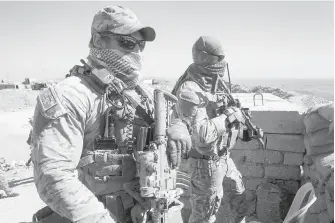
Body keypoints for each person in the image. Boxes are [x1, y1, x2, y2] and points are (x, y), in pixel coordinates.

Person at [30, 5, 190, 223]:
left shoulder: (137, 91)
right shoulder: (71, 95)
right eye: (126, 43)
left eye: (139, 45)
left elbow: (176, 110)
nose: (135, 52)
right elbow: (53, 177)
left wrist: (177, 126)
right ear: (98, 41)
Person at [170, 36, 252, 223]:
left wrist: (238, 125)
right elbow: (201, 135)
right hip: (204, 165)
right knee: (204, 217)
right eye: (219, 58)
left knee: (239, 202)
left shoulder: (213, 83)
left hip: (222, 158)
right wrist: (229, 117)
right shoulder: (189, 90)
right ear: (208, 58)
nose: (222, 63)